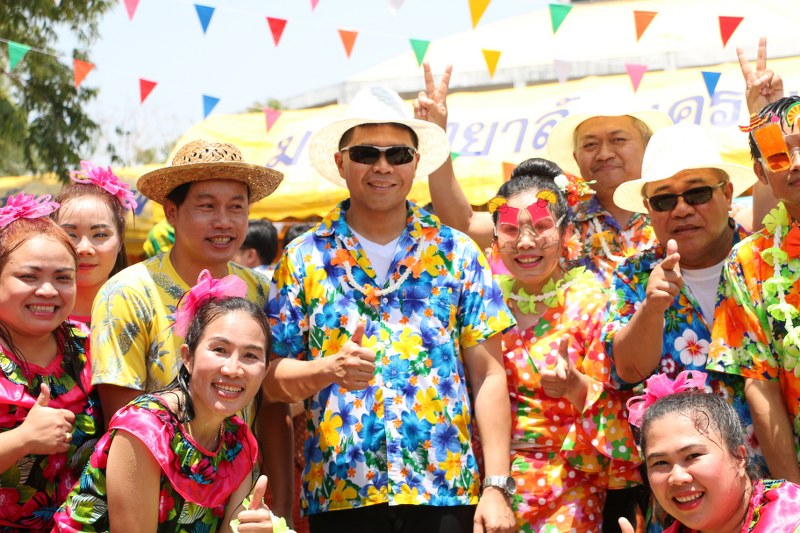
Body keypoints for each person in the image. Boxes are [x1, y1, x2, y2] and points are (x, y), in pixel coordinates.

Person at [263, 85, 516, 533]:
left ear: (416, 163)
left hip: (444, 489)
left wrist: (497, 486)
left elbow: (489, 374)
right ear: (341, 163)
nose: (383, 166)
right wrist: (328, 369)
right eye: (366, 153)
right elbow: (270, 380)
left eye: (398, 154)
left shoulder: (457, 252)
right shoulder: (302, 258)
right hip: (342, 495)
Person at [89, 139, 295, 521]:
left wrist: (282, 502)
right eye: (207, 206)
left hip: (239, 501)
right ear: (172, 211)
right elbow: (124, 423)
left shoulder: (263, 291)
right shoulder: (128, 294)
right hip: (153, 502)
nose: (224, 221)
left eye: (236, 207)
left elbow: (271, 402)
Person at [602, 123, 762, 530]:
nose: (681, 209)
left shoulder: (765, 260)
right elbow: (628, 370)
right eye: (663, 200)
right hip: (685, 497)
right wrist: (652, 308)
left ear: (728, 193)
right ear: (647, 208)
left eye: (697, 193)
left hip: (774, 482)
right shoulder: (633, 276)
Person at [54, 271, 279, 532]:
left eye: (250, 356)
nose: (232, 369)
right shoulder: (145, 430)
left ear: (265, 370)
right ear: (188, 357)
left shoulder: (237, 442)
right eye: (220, 350)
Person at [488, 158, 642, 531]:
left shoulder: (593, 302)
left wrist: (574, 385)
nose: (525, 242)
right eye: (510, 229)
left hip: (570, 480)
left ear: (567, 232)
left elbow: (621, 399)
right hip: (492, 479)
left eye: (541, 227)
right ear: (495, 238)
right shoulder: (486, 302)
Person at [415, 63, 673, 286]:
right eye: (590, 144)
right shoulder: (555, 212)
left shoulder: (677, 207)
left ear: (647, 145)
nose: (604, 153)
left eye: (618, 139)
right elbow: (465, 224)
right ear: (575, 158)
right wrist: (435, 135)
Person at [708, 96, 800, 486]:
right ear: (760, 173)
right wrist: (793, 500)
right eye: (779, 156)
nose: (796, 163)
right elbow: (760, 386)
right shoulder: (749, 262)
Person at [0, 193, 101, 530]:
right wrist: (23, 439)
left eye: (62, 277)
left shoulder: (88, 344)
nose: (48, 291)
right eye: (29, 277)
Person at [619, 371, 800, 533]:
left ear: (739, 457)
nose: (677, 477)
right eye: (660, 463)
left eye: (692, 456)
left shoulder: (790, 520)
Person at [51, 160, 137, 334]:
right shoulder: (27, 321)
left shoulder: (142, 316)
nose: (84, 248)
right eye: (70, 235)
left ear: (120, 241)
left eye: (100, 235)